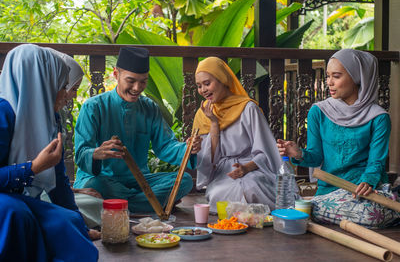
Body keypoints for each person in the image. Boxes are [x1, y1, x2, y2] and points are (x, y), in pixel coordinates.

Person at [277, 49, 400, 228]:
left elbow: (376, 163)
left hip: (363, 190)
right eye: (327, 76)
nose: (329, 83)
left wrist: (367, 182)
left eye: (336, 76)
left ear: (357, 78)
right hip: (329, 191)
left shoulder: (379, 117)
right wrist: (299, 153)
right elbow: (316, 157)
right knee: (318, 208)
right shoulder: (318, 112)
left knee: (371, 214)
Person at [73, 46, 202, 214]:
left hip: (138, 180)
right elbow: (81, 153)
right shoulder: (93, 107)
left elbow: (165, 146)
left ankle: (121, 205)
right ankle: (151, 203)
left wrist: (188, 148)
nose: (137, 88)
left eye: (143, 81)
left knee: (185, 181)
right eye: (131, 80)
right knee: (94, 185)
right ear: (116, 74)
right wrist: (96, 153)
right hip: (104, 179)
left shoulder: (150, 108)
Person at [0, 44, 98, 261]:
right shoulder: (3, 113)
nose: (67, 94)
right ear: (41, 82)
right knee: (16, 213)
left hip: (18, 199)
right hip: (8, 204)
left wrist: (79, 225)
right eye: (63, 85)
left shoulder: (49, 120)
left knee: (68, 223)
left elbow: (59, 181)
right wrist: (32, 168)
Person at [193, 57, 282, 213]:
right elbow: (210, 160)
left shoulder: (248, 108)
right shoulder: (204, 114)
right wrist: (214, 123)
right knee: (218, 193)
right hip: (224, 172)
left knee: (251, 187)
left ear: (222, 80)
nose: (203, 90)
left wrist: (246, 168)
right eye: (199, 86)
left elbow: (267, 151)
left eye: (207, 83)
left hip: (253, 168)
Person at [43, 48, 104, 231]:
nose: (74, 96)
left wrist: (75, 190)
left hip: (55, 191)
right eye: (70, 88)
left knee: (98, 204)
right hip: (33, 194)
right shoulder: (11, 114)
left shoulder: (54, 118)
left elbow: (58, 176)